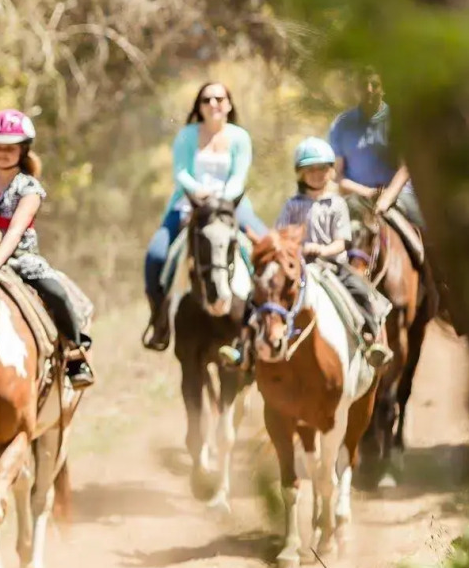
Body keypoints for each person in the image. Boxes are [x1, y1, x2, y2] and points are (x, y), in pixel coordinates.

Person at [223, 137, 390, 369]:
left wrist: (322, 249)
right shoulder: (292, 205)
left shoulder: (336, 204)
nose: (316, 174)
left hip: (330, 265)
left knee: (359, 291)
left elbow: (342, 243)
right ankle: (243, 345)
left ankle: (370, 339)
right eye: (310, 170)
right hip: (296, 264)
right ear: (300, 173)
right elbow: (280, 237)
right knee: (261, 292)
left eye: (322, 169)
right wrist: (292, 250)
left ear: (331, 171)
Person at [0, 108, 95, 389]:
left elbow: (15, 232)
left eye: (10, 148)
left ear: (23, 150)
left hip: (21, 259)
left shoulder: (29, 187)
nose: (3, 153)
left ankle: (75, 353)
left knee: (55, 292)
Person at [142, 82, 267, 352]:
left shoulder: (239, 137)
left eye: (219, 98)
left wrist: (220, 199)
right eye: (207, 99)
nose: (213, 104)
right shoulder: (187, 136)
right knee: (156, 255)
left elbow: (239, 176)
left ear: (229, 104)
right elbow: (181, 173)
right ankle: (159, 321)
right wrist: (198, 193)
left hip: (232, 205)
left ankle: (264, 320)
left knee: (269, 249)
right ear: (199, 106)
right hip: (190, 204)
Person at [329, 69, 424, 229]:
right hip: (355, 197)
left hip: (398, 194)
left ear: (383, 88)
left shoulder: (397, 121)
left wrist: (387, 197)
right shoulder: (341, 124)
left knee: (427, 231)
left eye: (374, 84)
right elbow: (336, 174)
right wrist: (367, 192)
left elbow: (406, 167)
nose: (369, 90)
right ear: (356, 89)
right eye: (363, 85)